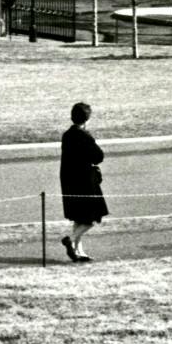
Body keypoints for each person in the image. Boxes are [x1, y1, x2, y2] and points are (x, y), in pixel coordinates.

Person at [59, 101, 108, 263]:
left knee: (78, 219)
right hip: (85, 181)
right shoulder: (84, 136)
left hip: (69, 181)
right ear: (87, 118)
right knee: (91, 219)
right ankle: (70, 239)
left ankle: (78, 251)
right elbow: (99, 156)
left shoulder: (67, 135)